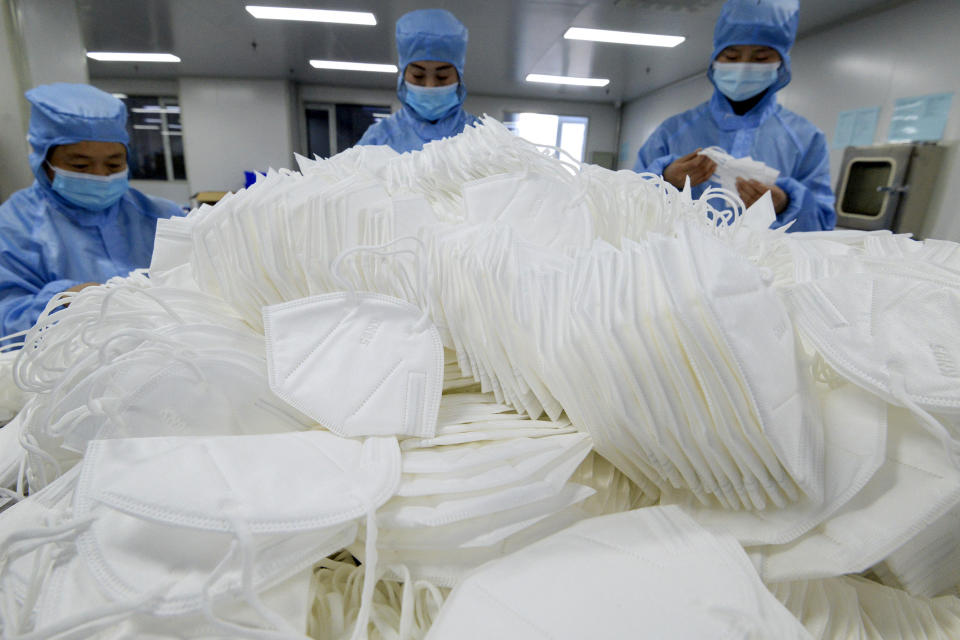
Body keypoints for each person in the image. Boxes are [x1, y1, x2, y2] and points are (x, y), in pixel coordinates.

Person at [633, 0, 836, 232]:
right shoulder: (672, 132)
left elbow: (821, 228)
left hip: (768, 266)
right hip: (680, 262)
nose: (743, 67)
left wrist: (785, 204)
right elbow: (627, 202)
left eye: (760, 59)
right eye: (731, 57)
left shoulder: (806, 139)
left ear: (781, 63)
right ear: (715, 60)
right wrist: (666, 180)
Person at [0, 83, 183, 336]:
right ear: (43, 161)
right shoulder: (13, 227)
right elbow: (6, 318)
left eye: (113, 163)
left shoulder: (163, 217)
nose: (100, 176)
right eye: (80, 165)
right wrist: (61, 303)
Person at [357, 8, 479, 153]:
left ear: (459, 77)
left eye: (442, 77)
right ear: (403, 76)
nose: (430, 86)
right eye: (418, 76)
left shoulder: (480, 136)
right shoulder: (377, 139)